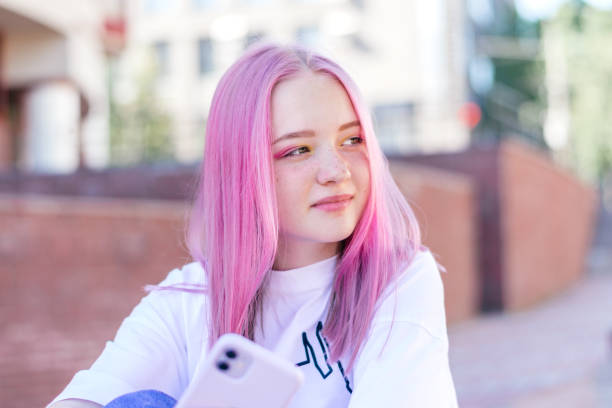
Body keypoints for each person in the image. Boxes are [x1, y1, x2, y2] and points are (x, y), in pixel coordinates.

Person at [49, 42, 458, 407]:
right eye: (298, 150)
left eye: (352, 140)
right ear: (243, 170)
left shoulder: (398, 279)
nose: (336, 171)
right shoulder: (187, 301)